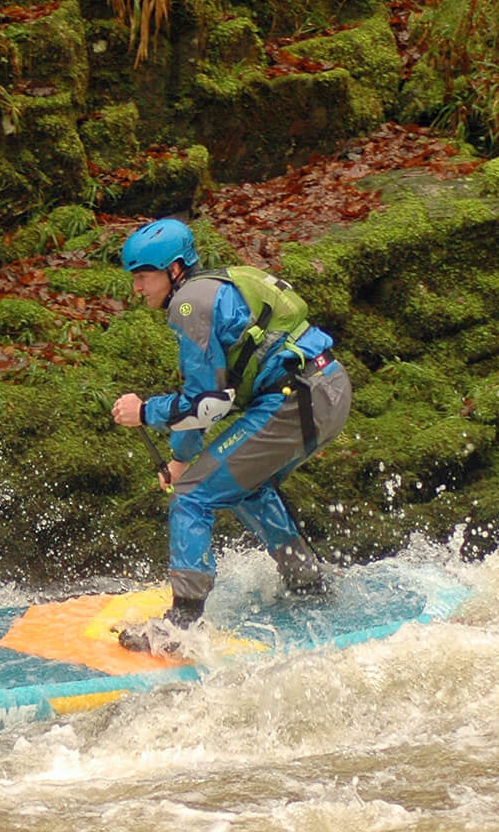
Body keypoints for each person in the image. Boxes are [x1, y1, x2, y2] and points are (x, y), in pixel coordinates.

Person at [110, 217, 351, 651]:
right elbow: (199, 402)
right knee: (245, 485)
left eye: (144, 277)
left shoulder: (190, 305)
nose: (137, 289)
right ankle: (308, 583)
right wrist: (180, 458)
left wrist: (145, 411)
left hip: (295, 399)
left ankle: (181, 625)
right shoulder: (212, 291)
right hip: (324, 387)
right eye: (135, 278)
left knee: (191, 497)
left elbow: (209, 403)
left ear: (176, 269)